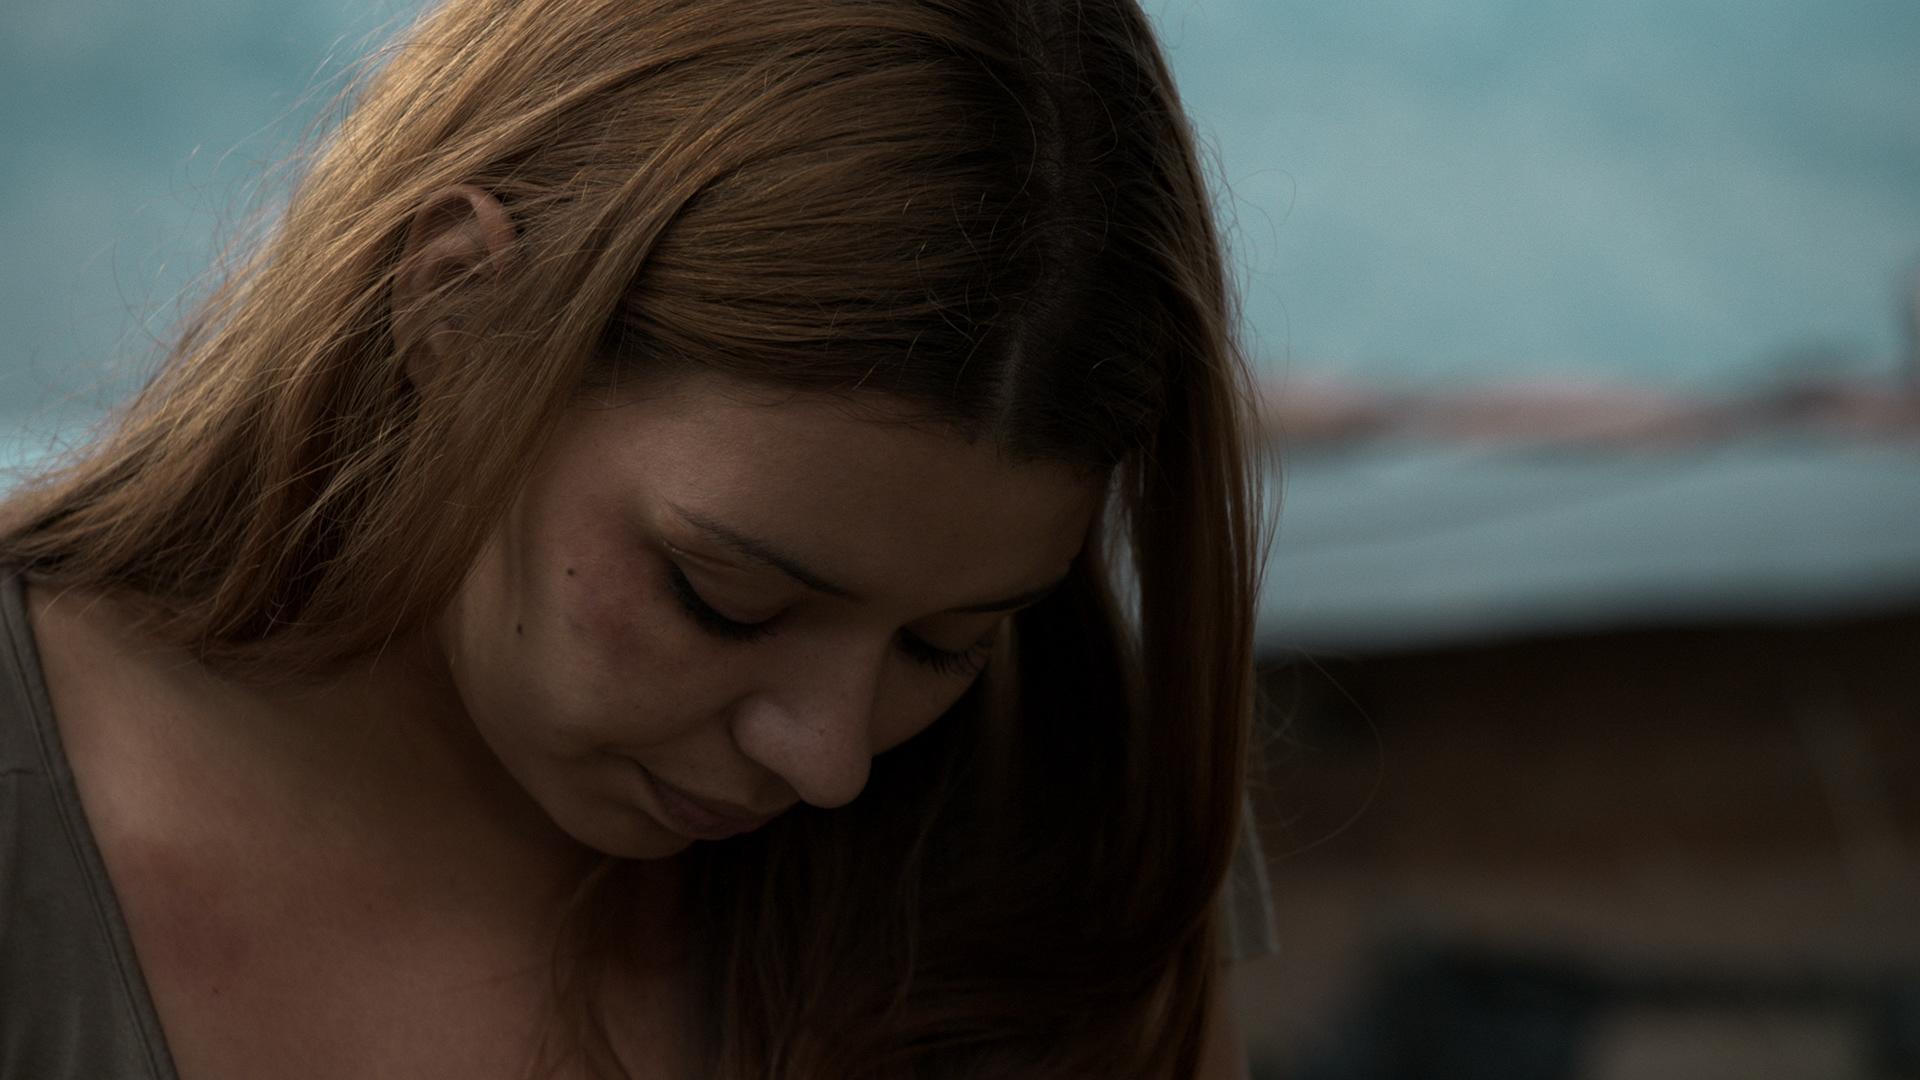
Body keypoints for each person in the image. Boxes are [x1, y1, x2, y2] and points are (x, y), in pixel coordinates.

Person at [0, 0, 1276, 1075]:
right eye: (724, 600)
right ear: (459, 312)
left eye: (947, 644)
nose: (829, 760)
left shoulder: (1064, 800)